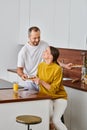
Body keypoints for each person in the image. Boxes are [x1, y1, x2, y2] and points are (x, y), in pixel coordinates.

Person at [31, 46, 68, 130]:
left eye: (46, 51)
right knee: (47, 119)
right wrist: (33, 79)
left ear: (51, 56)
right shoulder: (41, 65)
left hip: (59, 97)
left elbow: (54, 89)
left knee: (56, 121)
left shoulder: (57, 69)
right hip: (47, 97)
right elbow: (38, 78)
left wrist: (41, 81)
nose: (44, 51)